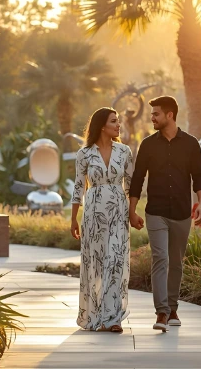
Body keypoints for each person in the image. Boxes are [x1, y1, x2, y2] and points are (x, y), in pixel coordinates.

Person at [128, 96, 201, 332]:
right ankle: (161, 312)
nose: (152, 118)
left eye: (156, 114)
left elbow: (199, 176)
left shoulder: (191, 144)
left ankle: (173, 308)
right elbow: (138, 178)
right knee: (160, 258)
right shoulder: (148, 145)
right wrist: (132, 210)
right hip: (156, 212)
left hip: (182, 212)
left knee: (176, 262)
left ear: (169, 115)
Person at [71, 107, 134, 334]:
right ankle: (95, 315)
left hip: (118, 212)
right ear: (102, 126)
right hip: (93, 214)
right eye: (114, 121)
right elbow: (79, 187)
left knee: (115, 261)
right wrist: (73, 219)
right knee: (96, 264)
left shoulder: (124, 151)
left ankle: (113, 318)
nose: (118, 125)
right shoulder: (85, 154)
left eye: (118, 121)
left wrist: (133, 212)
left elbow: (132, 185)